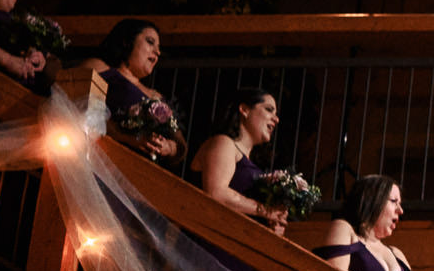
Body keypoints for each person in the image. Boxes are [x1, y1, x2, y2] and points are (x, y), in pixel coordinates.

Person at [313, 175, 425, 271]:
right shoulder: (344, 228)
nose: (400, 211)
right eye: (394, 201)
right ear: (373, 200)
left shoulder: (397, 254)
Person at [189, 88, 290, 234]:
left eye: (276, 114)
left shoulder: (251, 162)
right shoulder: (223, 143)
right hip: (208, 241)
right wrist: (265, 211)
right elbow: (217, 193)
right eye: (269, 110)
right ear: (244, 110)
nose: (276, 119)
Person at [86, 17, 177, 159]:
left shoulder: (157, 97)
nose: (157, 52)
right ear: (128, 41)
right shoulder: (100, 68)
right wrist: (127, 137)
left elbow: (178, 141)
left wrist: (169, 147)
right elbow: (78, 107)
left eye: (159, 48)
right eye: (150, 42)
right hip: (103, 156)